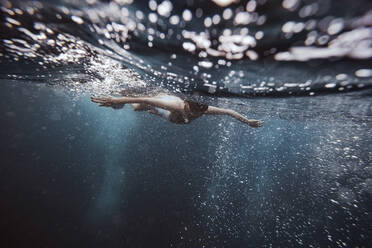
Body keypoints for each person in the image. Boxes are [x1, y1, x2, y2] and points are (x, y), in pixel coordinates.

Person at [91, 93, 264, 127]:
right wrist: (117, 100)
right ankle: (123, 94)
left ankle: (154, 108)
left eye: (199, 111)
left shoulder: (204, 109)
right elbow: (141, 99)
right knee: (137, 107)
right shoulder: (177, 106)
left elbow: (230, 112)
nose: (197, 113)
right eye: (193, 110)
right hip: (164, 108)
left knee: (146, 106)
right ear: (187, 104)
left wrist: (247, 121)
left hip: (172, 117)